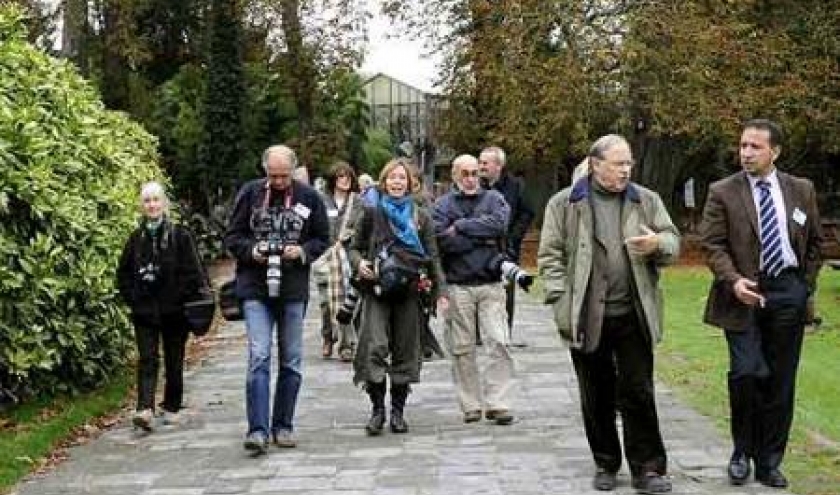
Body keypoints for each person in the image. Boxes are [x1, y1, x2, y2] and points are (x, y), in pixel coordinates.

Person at [537, 134, 679, 494]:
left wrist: (657, 244)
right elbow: (549, 257)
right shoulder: (565, 203)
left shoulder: (646, 200)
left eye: (629, 163)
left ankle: (648, 469)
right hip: (586, 314)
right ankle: (605, 462)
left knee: (638, 391)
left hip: (633, 313)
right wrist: (560, 301)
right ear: (596, 164)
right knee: (595, 393)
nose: (626, 170)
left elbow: (673, 241)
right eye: (619, 164)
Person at [698, 119, 822, 489]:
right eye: (742, 146)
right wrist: (734, 280)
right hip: (742, 293)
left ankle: (769, 462)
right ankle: (741, 451)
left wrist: (803, 286)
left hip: (788, 291)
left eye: (755, 147)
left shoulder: (801, 189)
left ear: (775, 151)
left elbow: (814, 242)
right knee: (747, 373)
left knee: (781, 382)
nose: (746, 153)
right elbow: (712, 245)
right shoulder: (723, 191)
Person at [224, 145, 329, 454]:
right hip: (255, 286)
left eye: (284, 175)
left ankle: (283, 425)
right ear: (265, 170)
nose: (279, 181)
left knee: (292, 359)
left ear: (293, 171)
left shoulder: (308, 198)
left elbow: (323, 237)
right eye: (273, 175)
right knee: (259, 355)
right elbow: (232, 236)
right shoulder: (250, 194)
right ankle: (257, 429)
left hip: (293, 288)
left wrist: (302, 252)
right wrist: (251, 251)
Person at [349, 158, 447, 436]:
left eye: (401, 178)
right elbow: (354, 248)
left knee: (406, 350)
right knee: (373, 346)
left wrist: (440, 291)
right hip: (376, 289)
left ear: (411, 183)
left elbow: (432, 255)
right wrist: (359, 265)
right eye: (392, 177)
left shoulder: (421, 217)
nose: (396, 182)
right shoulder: (370, 212)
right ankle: (377, 409)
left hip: (410, 292)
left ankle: (398, 412)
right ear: (384, 181)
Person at [433, 154, 516, 425]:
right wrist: (480, 239)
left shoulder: (494, 199)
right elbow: (440, 240)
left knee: (499, 341)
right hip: (459, 285)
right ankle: (470, 403)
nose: (470, 178)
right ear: (454, 176)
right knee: (462, 348)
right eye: (464, 173)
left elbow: (499, 225)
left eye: (474, 173)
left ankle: (498, 402)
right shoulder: (443, 204)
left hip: (490, 283)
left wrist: (461, 227)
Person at [117, 181, 206, 431]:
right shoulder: (135, 239)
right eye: (147, 201)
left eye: (156, 200)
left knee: (174, 360)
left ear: (164, 204)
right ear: (141, 206)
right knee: (147, 358)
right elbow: (123, 274)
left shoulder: (180, 235)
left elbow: (194, 273)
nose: (152, 205)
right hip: (144, 312)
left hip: (175, 312)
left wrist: (184, 298)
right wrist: (133, 298)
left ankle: (172, 405)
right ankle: (144, 408)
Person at [478, 146, 534, 339]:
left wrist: (514, 236)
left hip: (506, 246)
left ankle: (505, 330)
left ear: (499, 165)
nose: (481, 166)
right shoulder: (476, 185)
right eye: (480, 162)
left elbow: (527, 213)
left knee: (506, 288)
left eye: (485, 163)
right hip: (480, 246)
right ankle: (479, 332)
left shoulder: (516, 186)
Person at [314, 161, 363, 362]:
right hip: (326, 257)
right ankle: (328, 336)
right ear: (333, 179)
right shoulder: (322, 201)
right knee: (326, 302)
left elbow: (361, 226)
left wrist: (349, 236)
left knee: (347, 301)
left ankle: (347, 345)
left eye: (348, 177)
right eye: (341, 176)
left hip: (348, 256)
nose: (344, 180)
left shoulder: (358, 201)